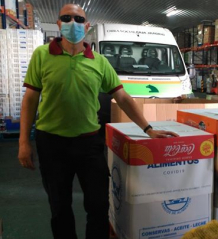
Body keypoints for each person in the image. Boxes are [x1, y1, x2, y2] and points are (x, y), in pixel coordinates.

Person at [17, 4, 178, 239]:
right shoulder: (42, 55)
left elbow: (122, 96)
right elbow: (30, 98)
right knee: (59, 207)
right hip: (52, 144)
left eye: (79, 19)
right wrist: (24, 142)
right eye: (67, 18)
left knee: (98, 206)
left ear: (87, 25)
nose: (73, 23)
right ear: (59, 24)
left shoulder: (100, 62)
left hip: (89, 144)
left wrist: (149, 129)